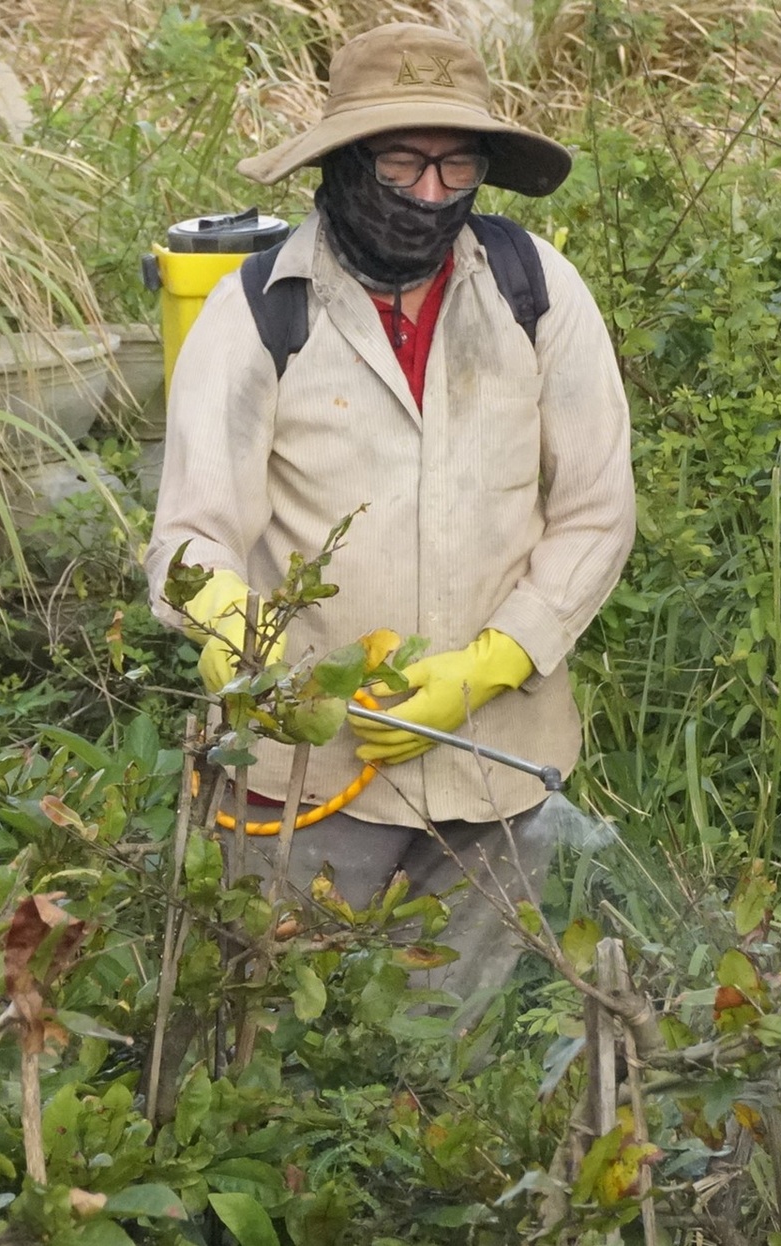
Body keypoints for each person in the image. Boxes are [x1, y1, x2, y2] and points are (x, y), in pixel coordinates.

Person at [144, 22, 635, 1028]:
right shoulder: (258, 313)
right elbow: (187, 549)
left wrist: (488, 666)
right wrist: (263, 657)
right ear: (341, 164)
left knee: (440, 1057)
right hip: (304, 781)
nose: (428, 192)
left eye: (455, 164)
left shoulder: (537, 292)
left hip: (502, 763)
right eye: (402, 161)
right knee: (280, 1036)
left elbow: (597, 512)